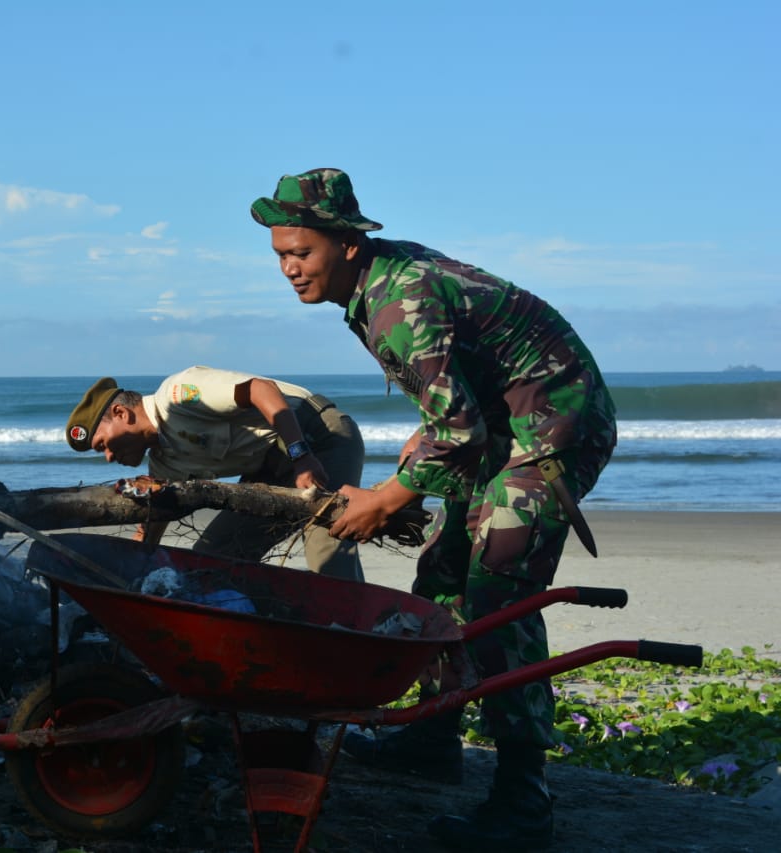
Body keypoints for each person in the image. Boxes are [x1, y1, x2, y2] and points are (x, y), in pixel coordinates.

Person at [250, 169, 617, 849]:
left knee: (496, 593)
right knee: (443, 572)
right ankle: (433, 735)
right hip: (504, 422)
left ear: (348, 244)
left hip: (555, 423)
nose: (289, 269)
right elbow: (451, 402)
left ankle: (524, 797)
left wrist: (389, 496)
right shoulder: (374, 285)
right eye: (280, 255)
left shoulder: (397, 301)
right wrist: (404, 477)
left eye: (301, 252)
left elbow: (459, 430)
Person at [65, 365, 366, 580]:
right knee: (212, 558)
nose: (107, 457)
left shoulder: (178, 394)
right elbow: (151, 527)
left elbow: (260, 389)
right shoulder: (164, 463)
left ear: (121, 413)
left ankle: (359, 644)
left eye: (102, 444)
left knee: (328, 554)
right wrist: (124, 572)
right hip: (270, 469)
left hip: (319, 438)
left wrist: (301, 455)